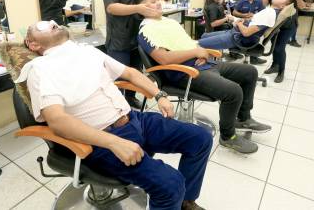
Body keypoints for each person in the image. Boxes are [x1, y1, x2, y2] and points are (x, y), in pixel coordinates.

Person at [19, 20, 212, 210]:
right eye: (42, 25)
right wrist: (114, 142)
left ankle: (186, 202)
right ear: (33, 44)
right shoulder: (41, 70)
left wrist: (159, 95)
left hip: (135, 120)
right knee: (170, 185)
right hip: (103, 141)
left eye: (52, 21)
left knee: (200, 139)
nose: (52, 22)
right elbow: (57, 121)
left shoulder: (86, 51)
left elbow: (130, 73)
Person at [136, 0, 272, 154]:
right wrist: (194, 53)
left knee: (249, 72)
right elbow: (164, 59)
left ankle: (243, 118)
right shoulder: (146, 31)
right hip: (184, 73)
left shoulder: (168, 22)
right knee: (233, 91)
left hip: (202, 64)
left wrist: (200, 51)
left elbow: (188, 43)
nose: (157, 3)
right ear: (140, 7)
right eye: (151, 1)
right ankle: (228, 137)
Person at [102, 0, 160, 109]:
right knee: (119, 76)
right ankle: (117, 106)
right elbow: (112, 8)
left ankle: (131, 98)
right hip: (119, 40)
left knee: (136, 72)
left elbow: (150, 0)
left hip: (137, 39)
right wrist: (138, 8)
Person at [262, 0, 306, 83]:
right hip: (273, 22)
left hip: (288, 23)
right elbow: (266, 2)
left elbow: (302, 6)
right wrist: (265, 0)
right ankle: (274, 65)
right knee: (274, 46)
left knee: (280, 48)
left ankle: (281, 71)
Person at [199, 0, 291, 50]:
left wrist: (239, 23)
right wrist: (243, 20)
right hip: (235, 31)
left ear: (282, 6)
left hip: (238, 38)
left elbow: (246, 33)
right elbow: (252, 22)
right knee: (203, 36)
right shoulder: (268, 10)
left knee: (198, 44)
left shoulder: (270, 14)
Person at [232, 0, 266, 64]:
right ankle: (237, 52)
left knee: (255, 34)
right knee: (249, 35)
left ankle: (253, 57)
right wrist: (245, 15)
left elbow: (263, 13)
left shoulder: (259, 1)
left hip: (252, 21)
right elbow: (234, 12)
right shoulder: (242, 1)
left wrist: (254, 16)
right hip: (242, 22)